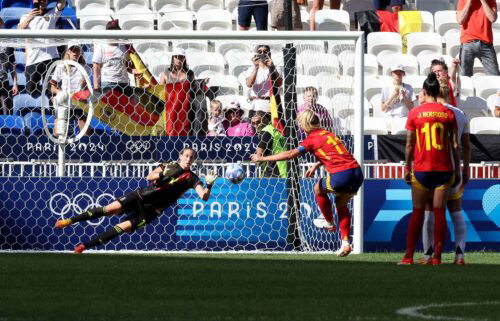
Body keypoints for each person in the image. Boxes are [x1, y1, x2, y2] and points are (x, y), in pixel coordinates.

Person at [54, 148, 217, 253]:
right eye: (186, 155)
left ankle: (84, 247)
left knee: (121, 227)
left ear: (194, 160)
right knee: (108, 209)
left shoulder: (191, 178)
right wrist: (162, 174)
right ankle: (69, 221)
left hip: (152, 210)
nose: (188, 159)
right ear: (180, 156)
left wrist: (209, 184)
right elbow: (149, 176)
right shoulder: (167, 165)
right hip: (141, 196)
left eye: (192, 157)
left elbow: (203, 197)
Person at [251, 109, 364, 257]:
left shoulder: (311, 139)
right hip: (357, 173)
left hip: (341, 174)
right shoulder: (328, 134)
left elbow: (290, 154)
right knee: (341, 204)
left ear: (304, 125)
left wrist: (262, 158)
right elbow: (334, 153)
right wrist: (317, 165)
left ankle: (328, 221)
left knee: (318, 188)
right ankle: (345, 242)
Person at [399, 72, 460, 266]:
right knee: (440, 212)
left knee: (417, 213)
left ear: (425, 92)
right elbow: (455, 145)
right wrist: (457, 170)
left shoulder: (415, 113)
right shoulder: (448, 113)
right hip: (444, 169)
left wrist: (407, 167)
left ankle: (408, 257)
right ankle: (437, 258)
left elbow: (409, 144)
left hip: (422, 169)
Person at [420, 77, 471, 266]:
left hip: (431, 168)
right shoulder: (460, 114)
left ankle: (428, 254)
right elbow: (465, 145)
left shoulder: (425, 112)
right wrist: (466, 168)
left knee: (429, 213)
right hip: (453, 168)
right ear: (449, 93)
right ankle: (459, 255)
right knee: (456, 212)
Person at [18, 0, 66, 96]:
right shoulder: (25, 16)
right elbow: (19, 30)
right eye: (39, 0)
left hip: (51, 58)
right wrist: (29, 18)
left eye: (44, 0)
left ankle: (53, 106)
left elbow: (62, 3)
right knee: (30, 91)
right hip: (33, 59)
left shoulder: (52, 13)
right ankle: (44, 98)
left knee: (52, 89)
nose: (41, 2)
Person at [50, 42, 91, 136]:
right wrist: (60, 92)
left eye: (77, 50)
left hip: (79, 102)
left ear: (81, 52)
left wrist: (84, 86)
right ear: (68, 51)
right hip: (64, 102)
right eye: (72, 50)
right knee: (57, 133)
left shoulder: (85, 68)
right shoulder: (60, 66)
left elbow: (88, 90)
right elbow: (52, 87)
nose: (75, 52)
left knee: (86, 132)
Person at [456, 0, 499, 76]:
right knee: (465, 77)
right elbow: (460, 20)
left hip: (486, 43)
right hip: (467, 42)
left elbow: (492, 18)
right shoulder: (463, 0)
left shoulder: (491, 0)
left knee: (495, 76)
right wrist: (469, 2)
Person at [92, 20, 134, 91]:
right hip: (108, 83)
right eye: (110, 31)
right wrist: (96, 86)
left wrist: (132, 70)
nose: (112, 33)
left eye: (114, 31)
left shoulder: (124, 45)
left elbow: (126, 65)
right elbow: (96, 67)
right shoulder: (101, 46)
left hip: (124, 83)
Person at [245, 45, 283, 115]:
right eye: (260, 52)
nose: (262, 53)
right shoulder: (251, 69)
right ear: (256, 54)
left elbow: (279, 84)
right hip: (256, 105)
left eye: (265, 51)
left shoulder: (276, 68)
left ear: (269, 54)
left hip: (271, 104)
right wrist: (256, 67)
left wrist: (272, 67)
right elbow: (249, 84)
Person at [251, 111, 287, 178]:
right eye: (253, 123)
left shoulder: (266, 132)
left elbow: (259, 157)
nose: (256, 126)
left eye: (258, 122)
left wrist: (255, 157)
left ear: (265, 120)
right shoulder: (274, 130)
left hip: (275, 171)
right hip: (284, 169)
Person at [0, 18, 18, 115]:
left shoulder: (7, 43)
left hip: (3, 82)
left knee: (6, 111)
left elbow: (12, 65)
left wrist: (15, 83)